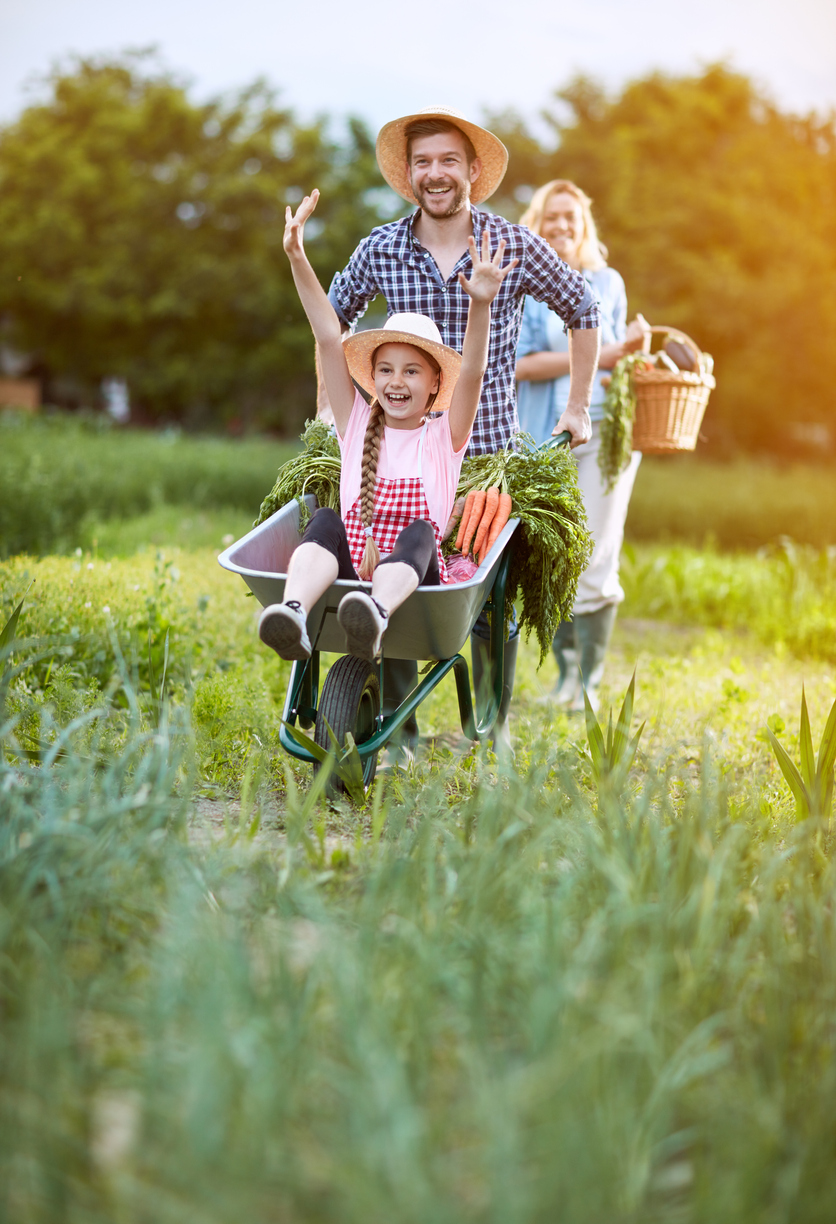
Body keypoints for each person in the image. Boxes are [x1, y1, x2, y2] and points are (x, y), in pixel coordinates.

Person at [321, 108, 603, 753]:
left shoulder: (510, 244)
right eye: (423, 162)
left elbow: (583, 307)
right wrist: (325, 409)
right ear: (409, 173)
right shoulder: (381, 248)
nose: (436, 173)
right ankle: (399, 731)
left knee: (486, 607)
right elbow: (331, 323)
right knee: (383, 576)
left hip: (485, 459)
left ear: (473, 171)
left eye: (449, 160)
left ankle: (490, 726)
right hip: (398, 454)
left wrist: (578, 405)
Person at [257, 189, 515, 665]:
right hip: (354, 566)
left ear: (437, 383)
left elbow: (475, 371)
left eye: (412, 370)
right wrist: (296, 256)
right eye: (386, 369)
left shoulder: (444, 437)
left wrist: (481, 304)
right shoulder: (356, 422)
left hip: (411, 581)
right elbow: (327, 335)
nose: (397, 381)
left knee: (419, 532)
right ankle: (293, 611)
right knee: (326, 521)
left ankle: (373, 613)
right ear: (372, 378)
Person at [515, 179, 650, 712]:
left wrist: (629, 354)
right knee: (553, 557)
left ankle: (586, 685)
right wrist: (609, 352)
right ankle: (564, 677)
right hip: (541, 439)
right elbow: (522, 364)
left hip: (601, 439)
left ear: (584, 223)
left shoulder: (607, 280)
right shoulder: (525, 284)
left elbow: (614, 365)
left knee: (597, 557)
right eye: (553, 216)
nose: (562, 225)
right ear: (538, 221)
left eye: (572, 216)